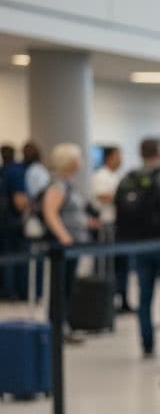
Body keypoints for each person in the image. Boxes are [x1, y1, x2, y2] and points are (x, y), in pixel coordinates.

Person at [118, 138, 160, 358]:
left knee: (145, 297)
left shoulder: (128, 179)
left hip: (141, 246)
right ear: (158, 152)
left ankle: (147, 345)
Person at [38, 143, 94, 340]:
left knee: (68, 286)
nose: (81, 163)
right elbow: (50, 214)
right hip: (63, 246)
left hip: (74, 244)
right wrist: (64, 236)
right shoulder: (58, 186)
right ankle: (57, 326)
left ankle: (64, 324)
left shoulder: (70, 185)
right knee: (60, 287)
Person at [90, 145, 132, 312]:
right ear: (109, 158)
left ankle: (123, 299)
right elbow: (102, 195)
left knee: (123, 265)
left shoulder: (118, 176)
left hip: (121, 225)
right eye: (118, 156)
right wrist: (124, 197)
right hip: (107, 226)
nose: (121, 159)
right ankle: (107, 301)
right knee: (108, 265)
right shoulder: (101, 176)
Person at [0, 143, 27, 300]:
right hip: (13, 222)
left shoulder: (3, 171)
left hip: (3, 223)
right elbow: (19, 200)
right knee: (16, 257)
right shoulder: (16, 171)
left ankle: (7, 290)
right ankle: (16, 291)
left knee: (6, 256)